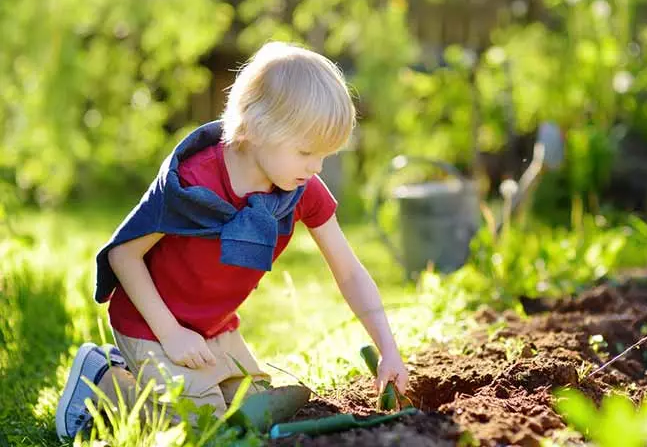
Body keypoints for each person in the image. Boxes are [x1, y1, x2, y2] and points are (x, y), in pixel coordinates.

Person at [55, 41, 410, 440]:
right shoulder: (193, 182)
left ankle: (146, 372)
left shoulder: (299, 188)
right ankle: (104, 379)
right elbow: (123, 254)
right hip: (150, 322)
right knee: (198, 426)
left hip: (213, 327)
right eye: (307, 151)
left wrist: (388, 348)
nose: (316, 167)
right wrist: (170, 334)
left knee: (252, 415)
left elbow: (348, 272)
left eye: (324, 156)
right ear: (259, 128)